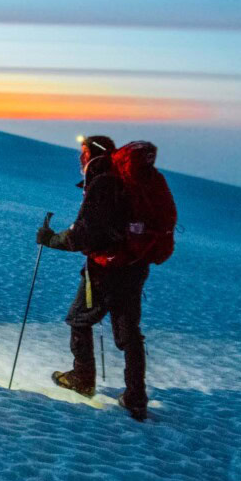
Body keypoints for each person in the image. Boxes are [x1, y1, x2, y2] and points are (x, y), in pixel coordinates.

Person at [36, 135, 152, 421]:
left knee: (79, 318)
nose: (80, 158)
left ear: (93, 154)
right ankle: (136, 396)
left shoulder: (103, 183)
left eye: (83, 152)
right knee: (128, 332)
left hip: (106, 269)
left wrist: (51, 239)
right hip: (134, 265)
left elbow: (83, 235)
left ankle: (82, 378)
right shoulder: (124, 181)